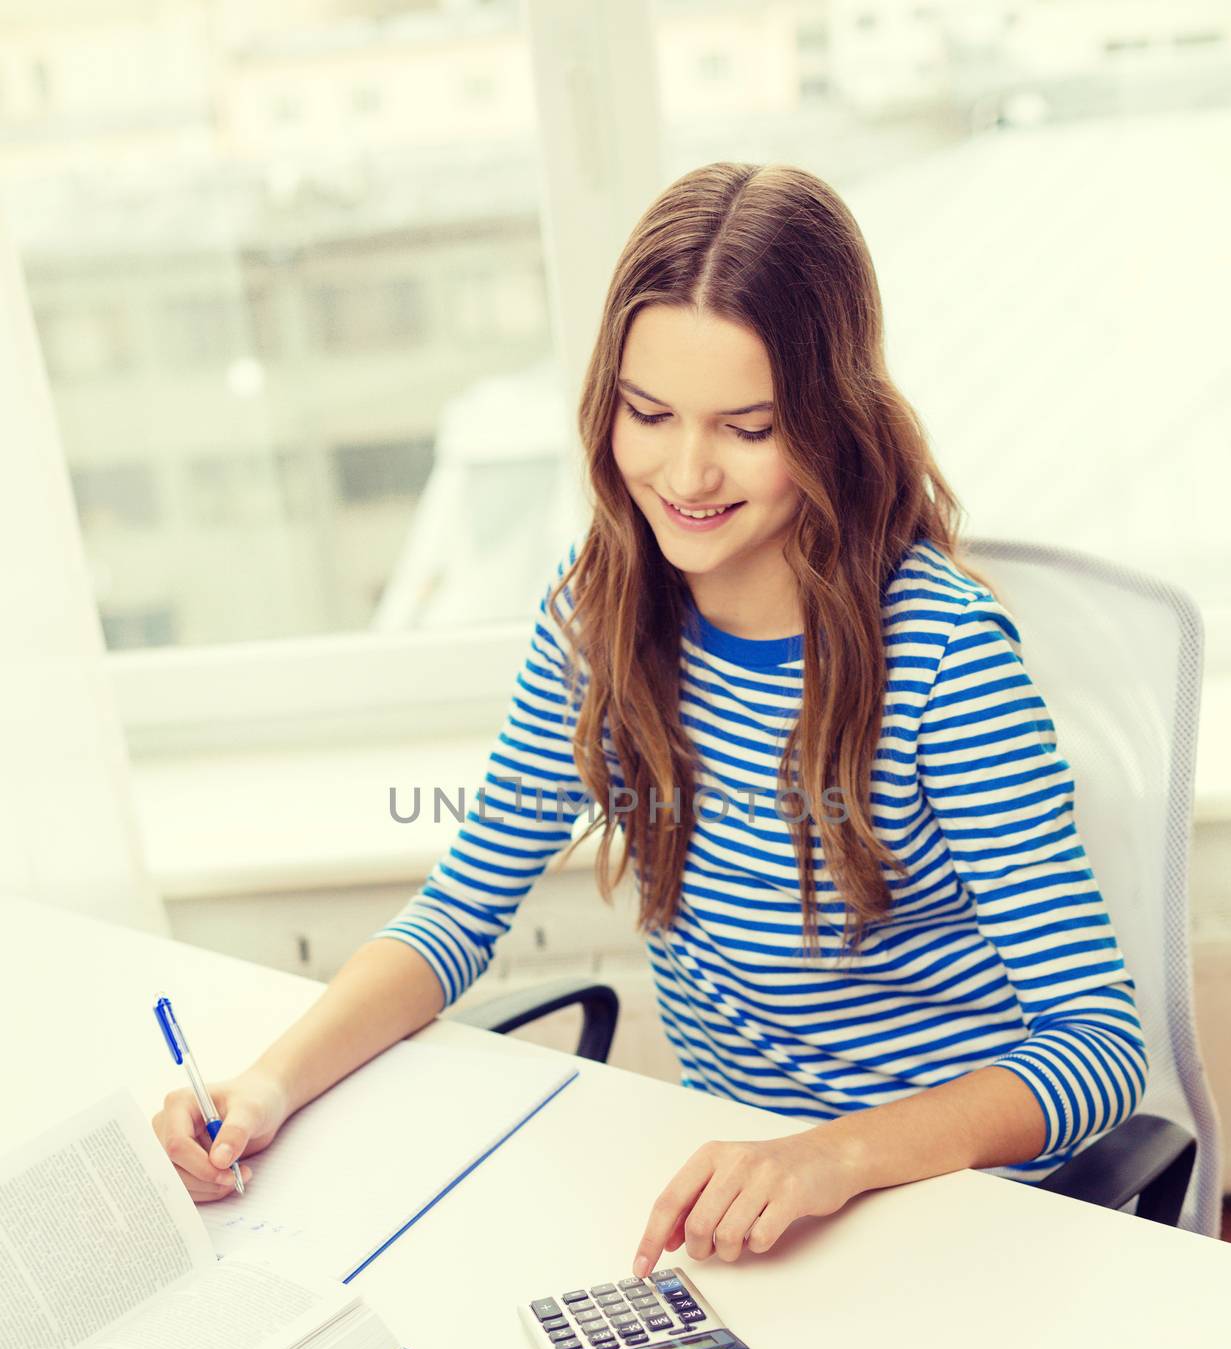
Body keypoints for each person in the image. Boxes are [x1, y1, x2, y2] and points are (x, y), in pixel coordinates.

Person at [151, 161, 1147, 1277]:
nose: (685, 471)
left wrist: (830, 1157)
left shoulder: (943, 658)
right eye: (648, 411)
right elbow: (459, 914)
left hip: (939, 1205)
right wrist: (266, 1086)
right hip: (732, 1198)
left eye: (748, 425)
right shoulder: (602, 607)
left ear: (828, 419)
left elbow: (1099, 1049)